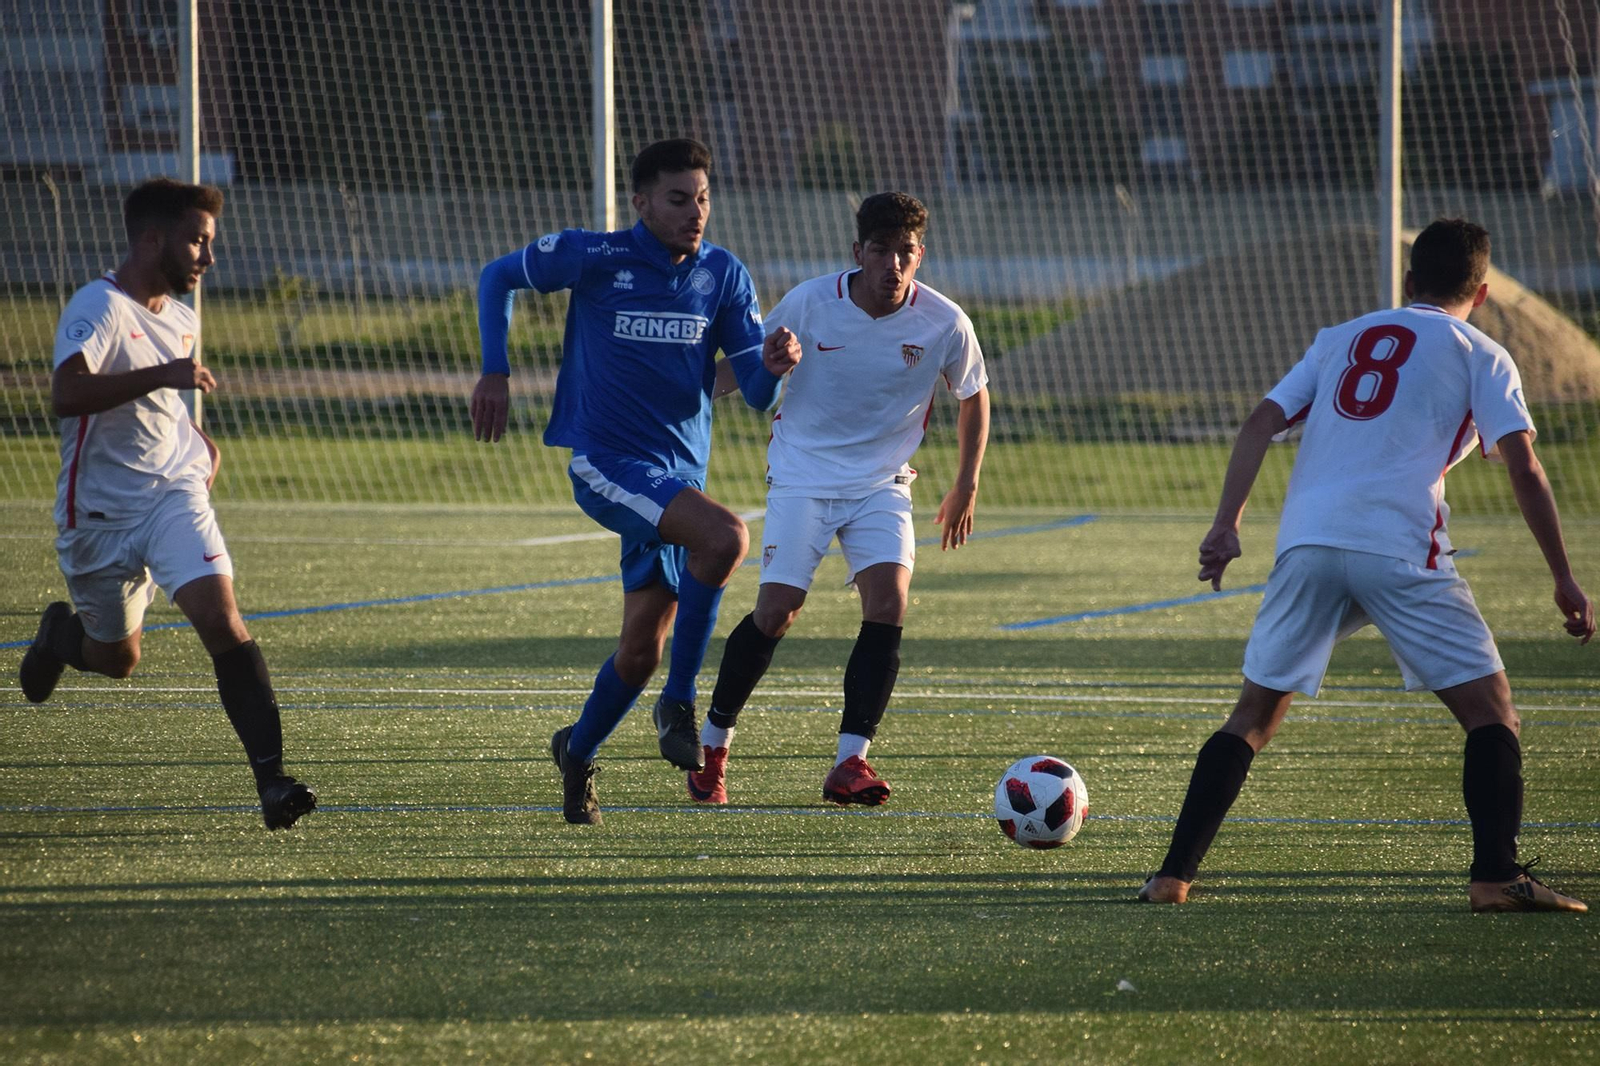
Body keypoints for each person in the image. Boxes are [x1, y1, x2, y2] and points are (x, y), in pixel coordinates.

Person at [1139, 218, 1592, 912]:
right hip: (1398, 545)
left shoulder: (1340, 337)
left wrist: (1227, 523)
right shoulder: (1482, 351)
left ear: (1409, 283)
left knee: (1253, 717)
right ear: (1485, 291)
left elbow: (1261, 421)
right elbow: (1523, 464)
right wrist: (1563, 577)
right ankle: (1496, 878)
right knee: (1492, 714)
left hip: (1309, 541)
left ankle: (1171, 877)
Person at [471, 138, 800, 825]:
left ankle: (578, 751)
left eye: (704, 198)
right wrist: (495, 368)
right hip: (607, 462)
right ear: (642, 202)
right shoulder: (596, 256)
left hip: (675, 483)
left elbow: (760, 393)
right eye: (679, 199)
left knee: (639, 649)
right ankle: (679, 703)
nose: (696, 212)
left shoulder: (725, 274)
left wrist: (776, 360)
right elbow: (497, 276)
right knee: (727, 537)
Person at [19, 178, 317, 831]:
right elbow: (69, 394)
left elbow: (162, 412)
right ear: (153, 239)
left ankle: (272, 782)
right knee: (117, 659)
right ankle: (58, 636)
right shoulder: (97, 306)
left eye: (210, 242)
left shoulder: (180, 318)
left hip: (170, 499)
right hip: (97, 520)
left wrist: (200, 448)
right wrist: (164, 376)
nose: (208, 257)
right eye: (197, 240)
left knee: (222, 618)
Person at [685, 191, 990, 807]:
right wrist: (683, 391)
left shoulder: (945, 322)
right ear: (858, 252)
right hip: (803, 474)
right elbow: (748, 368)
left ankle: (851, 763)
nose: (893, 266)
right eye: (881, 251)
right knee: (777, 611)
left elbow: (973, 394)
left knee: (889, 602)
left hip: (882, 482)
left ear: (920, 255)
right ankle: (712, 746)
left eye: (906, 253)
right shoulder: (809, 302)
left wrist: (966, 483)